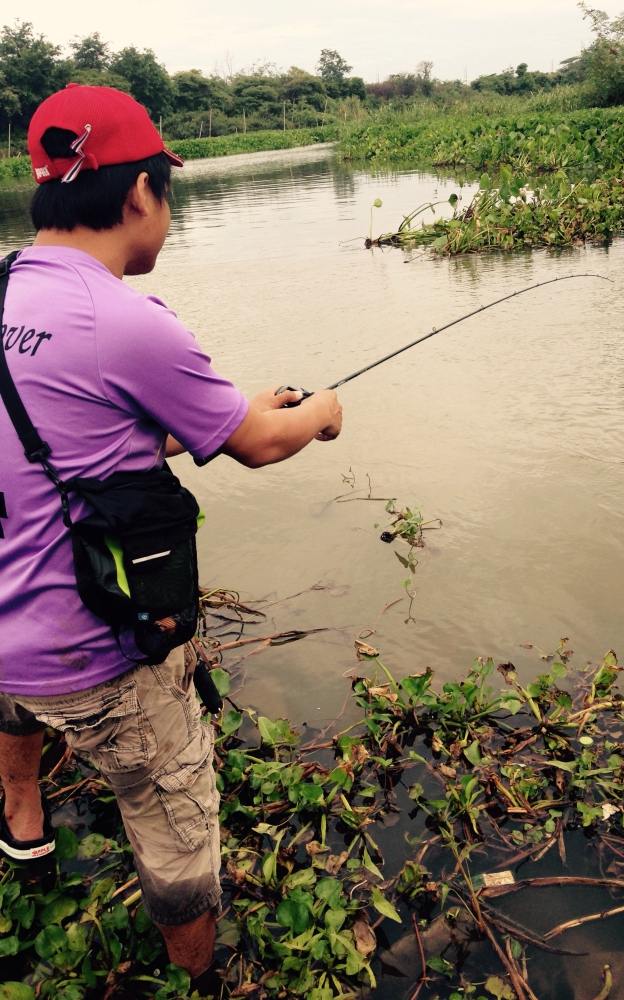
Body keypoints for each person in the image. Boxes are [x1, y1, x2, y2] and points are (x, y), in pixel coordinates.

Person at [0, 83, 342, 982]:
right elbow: (263, 445)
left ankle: (23, 825)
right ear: (138, 195)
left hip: (3, 626)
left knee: (14, 696)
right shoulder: (125, 319)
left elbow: (55, 430)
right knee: (172, 811)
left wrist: (199, 421)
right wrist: (323, 412)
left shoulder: (5, 291)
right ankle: (198, 973)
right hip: (91, 659)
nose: (168, 211)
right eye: (167, 190)